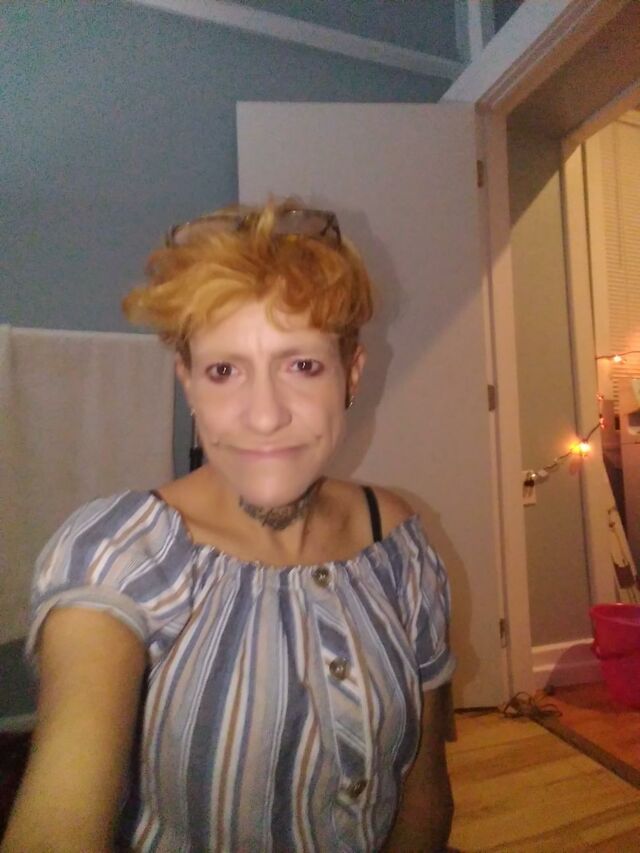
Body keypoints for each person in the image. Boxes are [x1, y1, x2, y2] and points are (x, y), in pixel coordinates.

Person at [3, 200, 456, 852]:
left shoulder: (399, 544)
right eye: (223, 370)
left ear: (351, 375)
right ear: (188, 383)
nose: (264, 415)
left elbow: (424, 790)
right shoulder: (117, 556)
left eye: (302, 365)